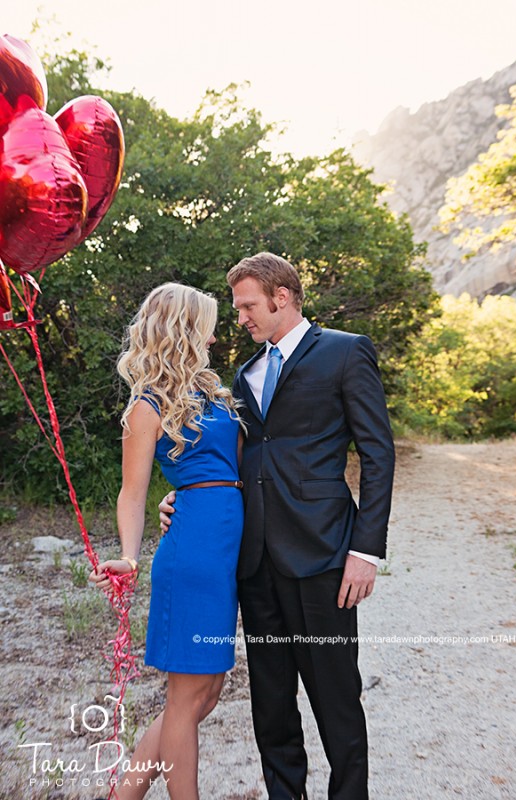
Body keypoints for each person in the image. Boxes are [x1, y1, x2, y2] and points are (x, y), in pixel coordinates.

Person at [159, 253, 395, 799]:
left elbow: (378, 455)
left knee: (336, 699)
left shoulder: (344, 351)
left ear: (280, 296)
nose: (240, 317)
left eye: (247, 305)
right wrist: (185, 496)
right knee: (271, 705)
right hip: (255, 560)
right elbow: (236, 457)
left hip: (323, 555)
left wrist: (367, 551)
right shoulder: (244, 374)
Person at [89, 282, 244, 800]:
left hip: (223, 543)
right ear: (184, 328)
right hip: (194, 552)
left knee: (207, 693)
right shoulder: (146, 405)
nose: (217, 333)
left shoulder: (212, 390)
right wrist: (130, 556)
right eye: (208, 323)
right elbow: (132, 493)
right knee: (187, 697)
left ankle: (124, 793)